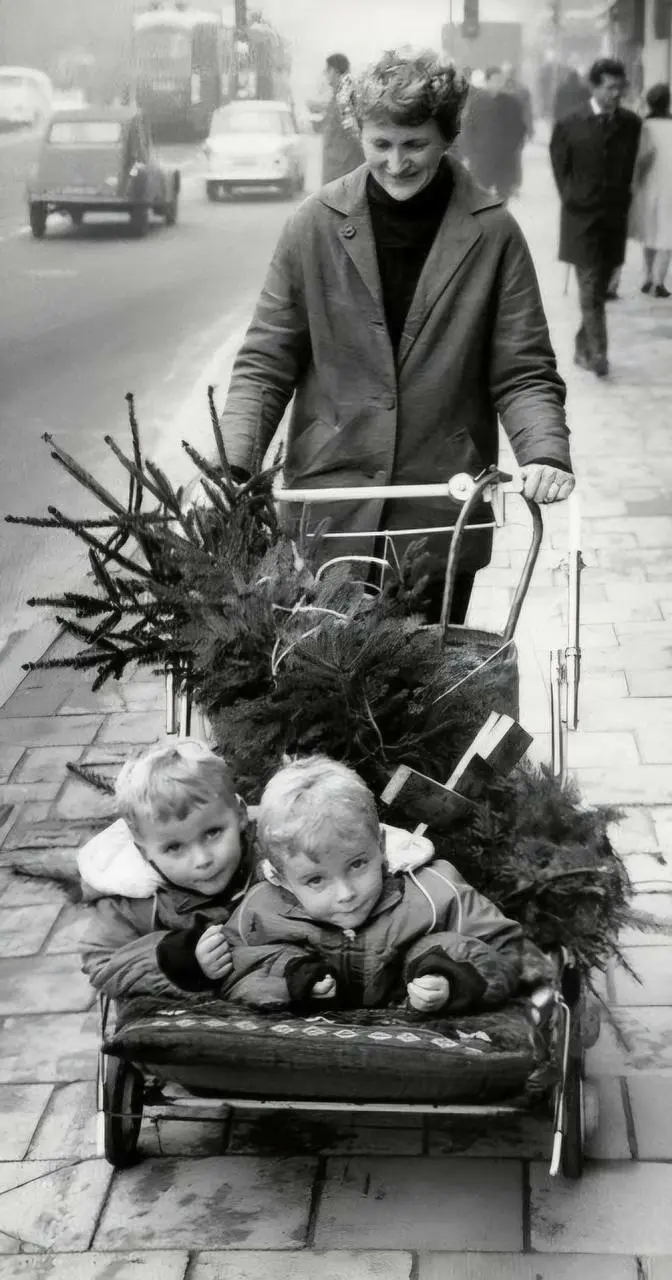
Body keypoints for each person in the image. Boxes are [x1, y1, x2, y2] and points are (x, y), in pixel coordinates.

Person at [219, 49, 574, 628]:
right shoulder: (314, 224)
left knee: (427, 696)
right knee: (322, 688)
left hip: (441, 511)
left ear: (448, 136)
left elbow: (523, 369)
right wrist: (234, 464)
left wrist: (544, 453)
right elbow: (266, 359)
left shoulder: (493, 233)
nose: (397, 163)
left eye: (415, 145)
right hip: (331, 506)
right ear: (359, 133)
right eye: (380, 144)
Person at [222, 755, 524, 1013]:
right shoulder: (261, 909)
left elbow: (506, 949)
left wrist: (456, 982)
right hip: (308, 1065)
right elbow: (233, 969)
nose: (346, 893)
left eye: (357, 864)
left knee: (437, 948)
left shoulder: (434, 891)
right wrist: (291, 980)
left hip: (417, 1062)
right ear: (281, 876)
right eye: (315, 880)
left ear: (380, 844)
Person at [79, 740, 252, 998]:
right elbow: (102, 964)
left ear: (240, 815)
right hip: (192, 1021)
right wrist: (178, 960)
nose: (202, 859)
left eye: (213, 833)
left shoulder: (270, 855)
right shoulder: (131, 902)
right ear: (143, 851)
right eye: (174, 848)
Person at [550, 58, 642, 378]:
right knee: (590, 290)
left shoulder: (631, 124)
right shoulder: (569, 124)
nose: (616, 94)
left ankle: (582, 345)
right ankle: (599, 353)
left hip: (613, 219)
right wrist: (573, 199)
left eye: (620, 88)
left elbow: (630, 167)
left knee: (600, 290)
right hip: (581, 221)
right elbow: (560, 169)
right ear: (594, 87)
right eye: (610, 88)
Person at [460, 65, 528, 202]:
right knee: (480, 200)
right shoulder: (477, 102)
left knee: (503, 200)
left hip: (505, 160)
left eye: (501, 80)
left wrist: (512, 147)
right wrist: (471, 153)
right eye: (496, 80)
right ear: (488, 81)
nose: (499, 83)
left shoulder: (512, 103)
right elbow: (467, 129)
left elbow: (520, 128)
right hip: (482, 161)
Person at [631, 83, 672, 298]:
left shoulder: (643, 126)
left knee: (649, 232)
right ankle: (659, 282)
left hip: (646, 185)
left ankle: (647, 277)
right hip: (669, 186)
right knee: (667, 234)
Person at [321, 52, 366, 184]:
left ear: (334, 71)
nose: (325, 74)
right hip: (337, 167)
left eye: (327, 70)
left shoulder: (345, 96)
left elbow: (355, 133)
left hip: (344, 169)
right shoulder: (340, 94)